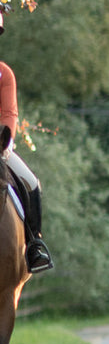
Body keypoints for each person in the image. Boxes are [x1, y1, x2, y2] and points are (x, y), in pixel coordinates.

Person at [0, 15, 52, 274]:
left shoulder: (4, 72)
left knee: (30, 182)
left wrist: (7, 140)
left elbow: (9, 112)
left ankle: (34, 245)